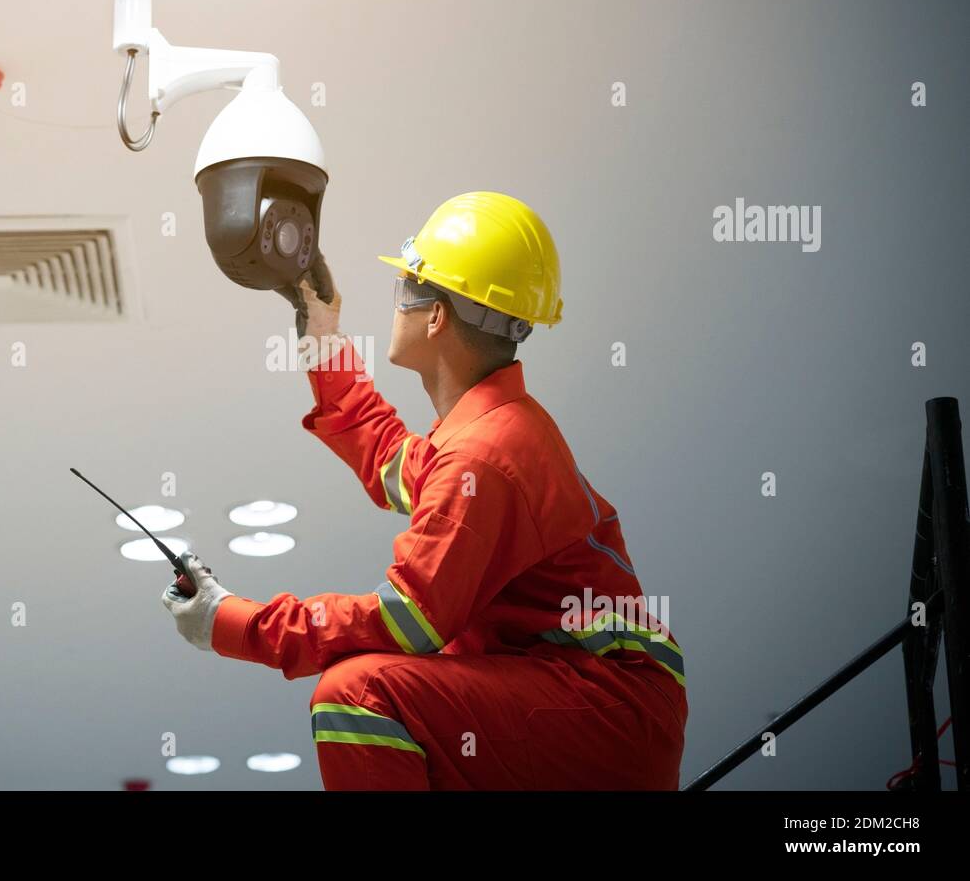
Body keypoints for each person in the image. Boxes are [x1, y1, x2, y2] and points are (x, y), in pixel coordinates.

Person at [163, 191, 686, 789]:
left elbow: (408, 619)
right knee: (406, 699)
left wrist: (233, 623)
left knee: (357, 696)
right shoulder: (487, 437)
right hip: (587, 703)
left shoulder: (486, 455)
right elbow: (389, 458)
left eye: (405, 286)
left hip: (608, 711)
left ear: (435, 315)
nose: (397, 304)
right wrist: (325, 338)